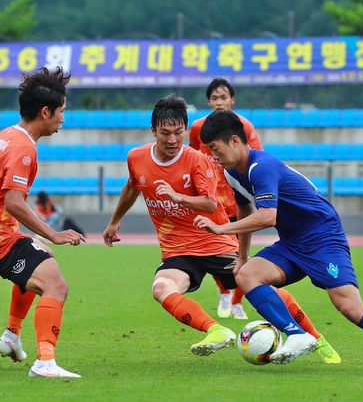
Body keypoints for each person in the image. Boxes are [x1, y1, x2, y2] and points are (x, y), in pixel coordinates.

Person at [102, 95, 340, 363]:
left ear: (185, 129)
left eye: (178, 133)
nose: (172, 140)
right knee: (161, 288)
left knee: (260, 288)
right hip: (177, 249)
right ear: (153, 131)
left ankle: (317, 339)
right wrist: (114, 221)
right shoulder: (137, 157)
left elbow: (209, 203)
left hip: (215, 243)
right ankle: (216, 330)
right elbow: (133, 186)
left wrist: (177, 197)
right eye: (165, 133)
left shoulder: (196, 160)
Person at [194, 110, 363, 374]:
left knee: (348, 305)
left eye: (215, 148)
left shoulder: (262, 167)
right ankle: (297, 334)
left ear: (234, 141)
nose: (213, 155)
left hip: (322, 236)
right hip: (292, 242)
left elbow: (268, 216)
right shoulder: (232, 174)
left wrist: (222, 228)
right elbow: (246, 210)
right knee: (247, 275)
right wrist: (243, 255)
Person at [0, 66, 85, 378]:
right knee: (56, 285)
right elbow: (13, 202)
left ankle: (11, 335)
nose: (63, 118)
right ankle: (45, 362)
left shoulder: (6, 136)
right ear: (45, 111)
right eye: (61, 111)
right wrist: (54, 232)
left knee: (43, 258)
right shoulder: (24, 148)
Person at [189, 78, 262, 320]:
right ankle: (223, 293)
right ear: (208, 101)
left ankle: (238, 301)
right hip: (210, 200)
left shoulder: (245, 127)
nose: (219, 102)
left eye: (223, 97)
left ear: (232, 100)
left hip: (237, 200)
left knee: (241, 252)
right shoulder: (199, 128)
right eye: (214, 98)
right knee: (213, 250)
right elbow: (191, 158)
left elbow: (257, 159)